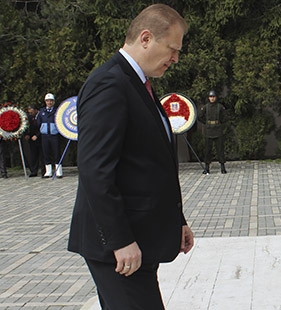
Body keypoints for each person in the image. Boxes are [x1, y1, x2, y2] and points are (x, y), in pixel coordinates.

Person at [67, 4, 194, 309]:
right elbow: (96, 170)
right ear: (146, 38)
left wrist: (177, 220)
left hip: (139, 241)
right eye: (172, 48)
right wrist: (120, 240)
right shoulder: (110, 84)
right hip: (119, 249)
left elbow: (149, 165)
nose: (176, 58)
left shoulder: (136, 85)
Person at [197, 89, 227, 174]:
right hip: (208, 130)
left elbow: (225, 117)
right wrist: (206, 123)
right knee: (207, 150)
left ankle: (222, 167)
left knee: (220, 149)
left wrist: (220, 123)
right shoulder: (206, 107)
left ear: (216, 97)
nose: (212, 98)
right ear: (208, 98)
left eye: (213, 97)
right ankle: (207, 168)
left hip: (217, 129)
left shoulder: (220, 107)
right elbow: (200, 117)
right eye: (211, 97)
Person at [37, 93, 62, 178]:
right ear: (45, 102)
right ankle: (48, 171)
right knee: (46, 152)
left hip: (54, 135)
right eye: (48, 101)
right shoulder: (41, 111)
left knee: (56, 152)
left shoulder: (57, 111)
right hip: (45, 135)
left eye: (51, 101)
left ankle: (58, 171)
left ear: (53, 102)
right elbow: (38, 123)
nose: (49, 102)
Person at [24, 105, 43, 177]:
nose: (30, 113)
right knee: (33, 155)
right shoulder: (29, 117)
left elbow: (42, 127)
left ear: (36, 110)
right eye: (29, 112)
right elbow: (26, 126)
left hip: (40, 137)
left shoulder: (41, 115)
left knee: (42, 155)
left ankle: (44, 170)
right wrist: (26, 134)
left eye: (31, 112)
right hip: (32, 139)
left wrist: (37, 135)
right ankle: (34, 171)